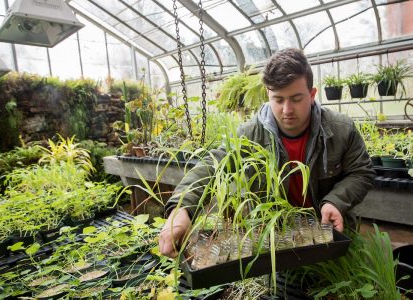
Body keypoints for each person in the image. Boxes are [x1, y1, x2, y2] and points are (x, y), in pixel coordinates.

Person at [159, 48, 375, 258]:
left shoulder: (340, 129)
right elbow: (212, 164)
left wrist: (335, 202)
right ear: (268, 95)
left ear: (312, 94)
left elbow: (362, 172)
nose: (287, 109)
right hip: (276, 242)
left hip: (330, 235)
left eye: (296, 99)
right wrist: (181, 209)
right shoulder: (250, 134)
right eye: (278, 99)